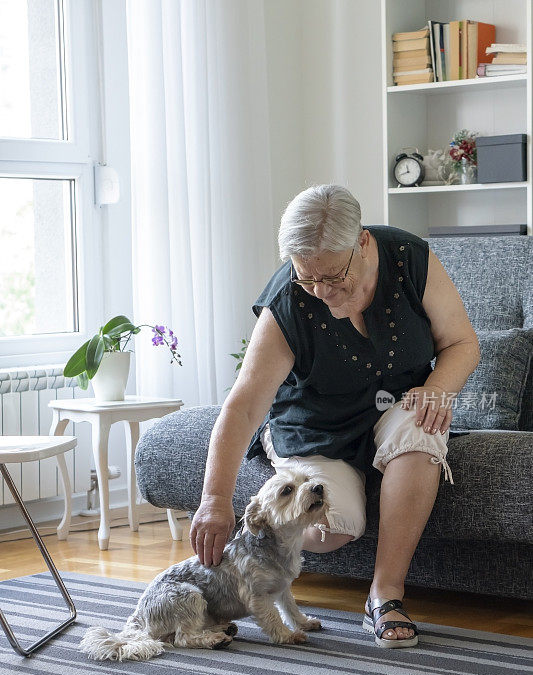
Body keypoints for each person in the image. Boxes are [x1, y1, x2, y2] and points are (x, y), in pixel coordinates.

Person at [190, 184, 480, 648]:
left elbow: (463, 343)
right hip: (315, 427)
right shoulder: (289, 301)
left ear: (362, 242)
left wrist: (437, 389)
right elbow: (244, 406)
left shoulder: (409, 260)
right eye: (308, 278)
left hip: (398, 403)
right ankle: (262, 533)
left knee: (422, 434)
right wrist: (214, 500)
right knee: (333, 528)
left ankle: (385, 595)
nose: (321, 291)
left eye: (332, 276)